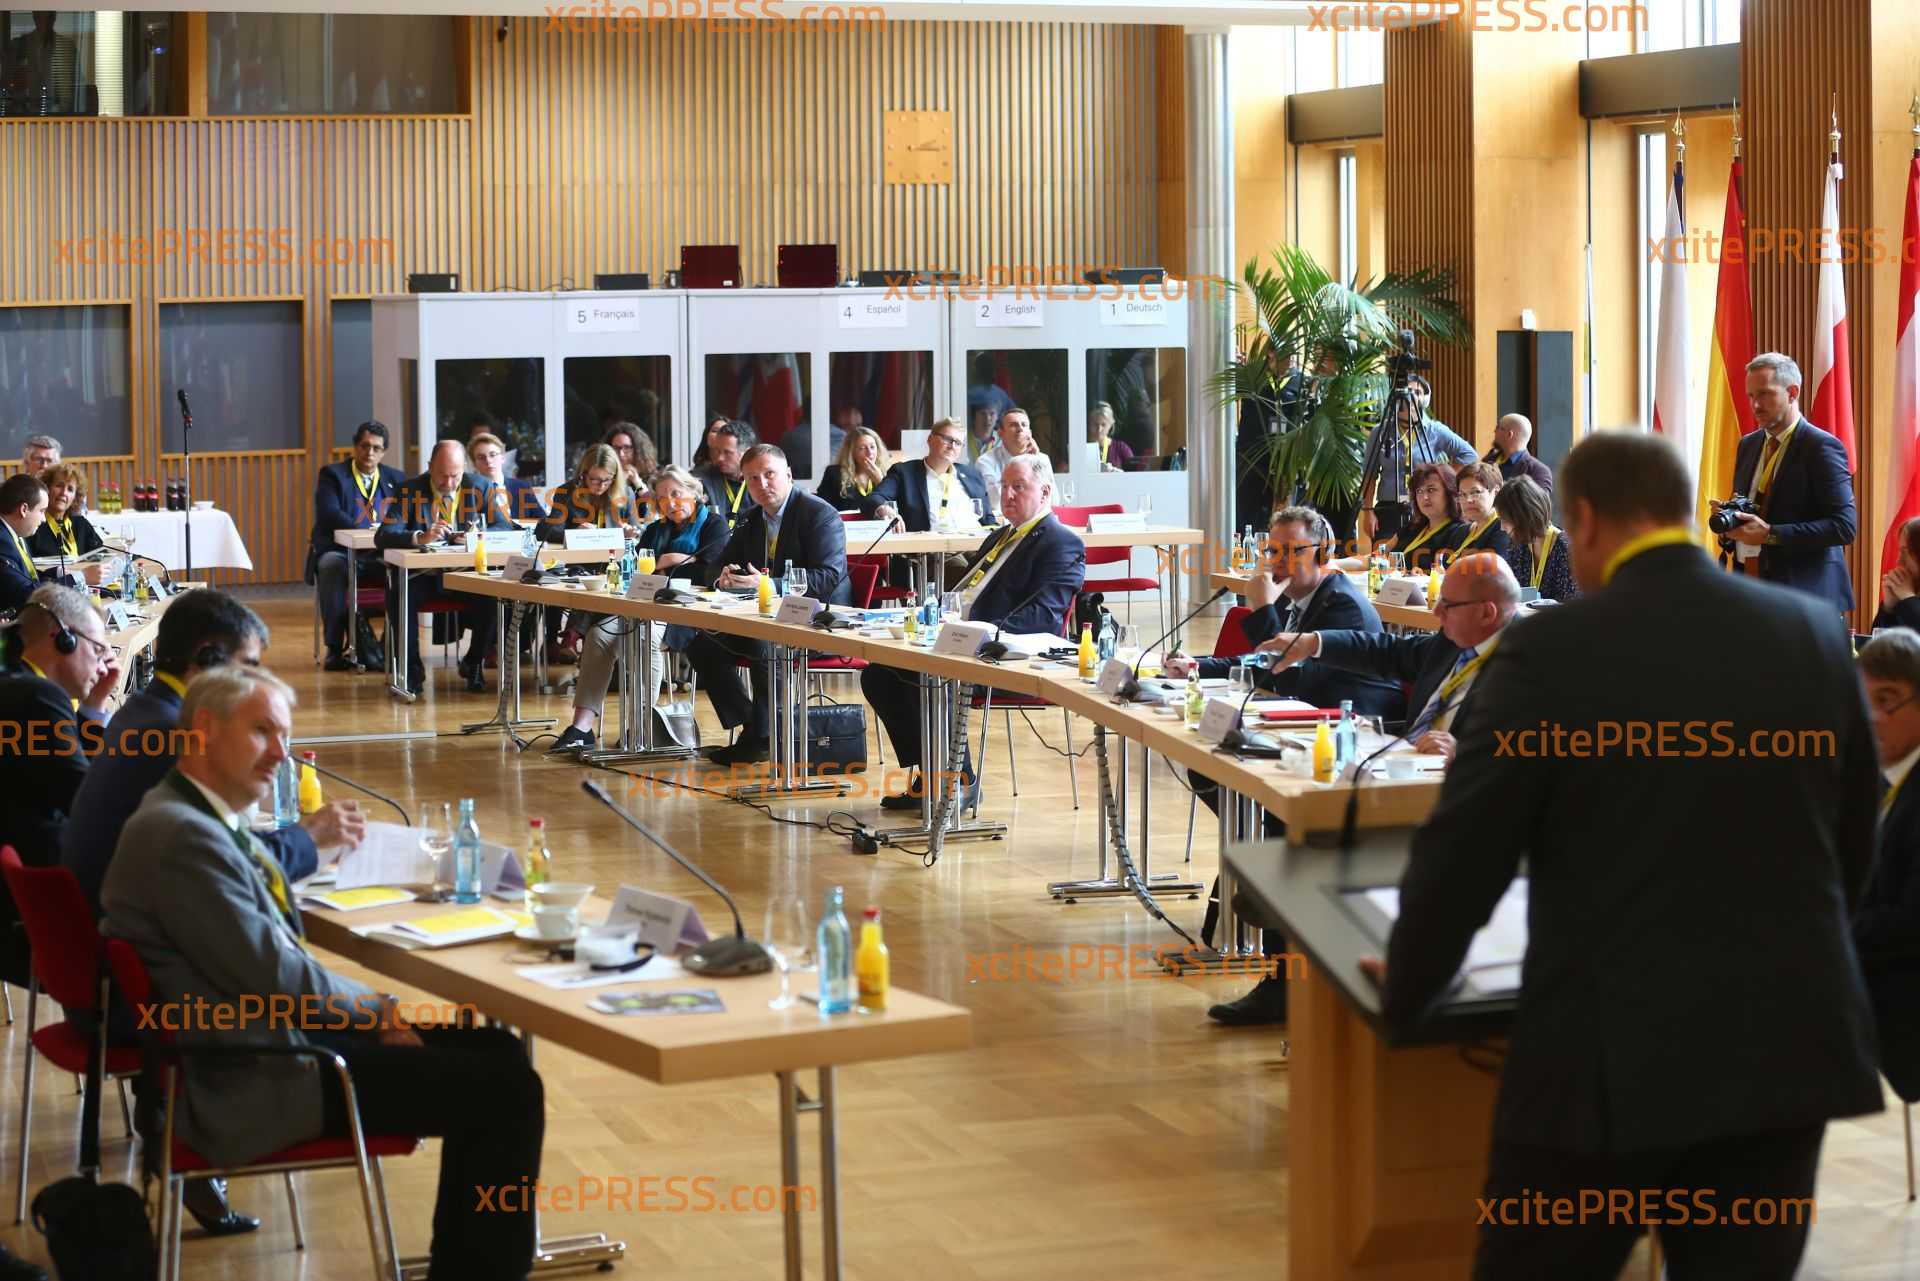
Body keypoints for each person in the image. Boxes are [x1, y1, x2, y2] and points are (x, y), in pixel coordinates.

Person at [1371, 430, 1881, 1280]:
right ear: (1686, 513)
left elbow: (1469, 848)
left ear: (1586, 521)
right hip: (1785, 1050)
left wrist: (1408, 982)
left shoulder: (1548, 650)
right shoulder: (1813, 636)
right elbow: (1854, 837)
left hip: (1603, 1053)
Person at [101, 667, 545, 1281]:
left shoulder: (191, 816)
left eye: (284, 735)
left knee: (497, 1053)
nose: (281, 754)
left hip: (259, 1047)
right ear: (203, 729)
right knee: (505, 1091)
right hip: (254, 1076)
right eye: (263, 733)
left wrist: (369, 1011)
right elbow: (279, 979)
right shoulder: (180, 838)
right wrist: (379, 1010)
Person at [1163, 506, 1405, 1028]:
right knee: (1213, 772)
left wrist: (1262, 609)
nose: (1280, 561)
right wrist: (1200, 667)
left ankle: (1283, 976)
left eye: (1294, 551)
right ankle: (1266, 921)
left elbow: (1295, 681)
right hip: (1305, 734)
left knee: (1270, 814)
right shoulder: (1302, 602)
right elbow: (1268, 663)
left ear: (1323, 553)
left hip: (1354, 743)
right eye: (1273, 551)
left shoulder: (1341, 605)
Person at [63, 589, 359, 910]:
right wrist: (309, 838)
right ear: (209, 660)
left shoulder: (143, 709)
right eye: (248, 668)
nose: (256, 683)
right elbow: (229, 864)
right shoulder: (172, 733)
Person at [861, 454, 1084, 808]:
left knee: (934, 677)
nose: (1007, 495)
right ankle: (931, 774)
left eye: (1019, 487)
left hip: (1005, 655)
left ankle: (959, 783)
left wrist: (973, 633)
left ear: (1044, 492)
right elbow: (965, 593)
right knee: (880, 675)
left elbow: (1041, 618)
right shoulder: (999, 536)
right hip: (955, 642)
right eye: (1004, 487)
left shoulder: (1060, 543)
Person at [1259, 551, 1521, 767]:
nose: (1436, 611)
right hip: (1403, 765)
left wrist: (1464, 752)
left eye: (1448, 605)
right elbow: (1387, 651)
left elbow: (1542, 748)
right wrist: (1315, 643)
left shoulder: (1528, 665)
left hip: (1461, 792)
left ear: (1487, 613)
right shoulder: (1451, 641)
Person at [686, 445, 850, 766]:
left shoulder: (819, 514)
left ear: (788, 475)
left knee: (765, 644)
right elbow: (714, 565)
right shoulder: (750, 518)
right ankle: (755, 727)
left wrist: (766, 584)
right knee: (702, 646)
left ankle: (760, 736)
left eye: (769, 474)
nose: (762, 484)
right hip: (761, 618)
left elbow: (828, 577)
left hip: (818, 622)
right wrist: (723, 576)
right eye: (753, 479)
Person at [548, 463, 718, 753]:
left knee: (645, 636)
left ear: (693, 492)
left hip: (687, 612)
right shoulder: (654, 530)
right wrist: (674, 562)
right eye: (663, 498)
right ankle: (581, 727)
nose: (671, 503)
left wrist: (677, 561)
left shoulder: (713, 525)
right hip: (645, 604)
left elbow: (713, 574)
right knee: (599, 635)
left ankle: (642, 726)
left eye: (677, 494)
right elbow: (640, 572)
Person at [0, 585, 117, 984]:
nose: (104, 665)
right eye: (98, 650)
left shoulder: (15, 682)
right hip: (36, 907)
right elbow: (88, 801)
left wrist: (93, 708)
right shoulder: (36, 697)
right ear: (62, 637)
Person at [1714, 351, 1857, 614]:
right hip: (1750, 589)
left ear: (1792, 393)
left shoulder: (1822, 447)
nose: (1755, 405)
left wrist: (1770, 533)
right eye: (1751, 396)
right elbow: (1754, 508)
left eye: (1765, 394)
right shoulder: (1748, 445)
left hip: (1804, 597)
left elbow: (1844, 527)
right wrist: (1731, 524)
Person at [374, 440, 515, 695]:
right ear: (429, 467)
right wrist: (420, 536)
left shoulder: (480, 486)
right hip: (423, 577)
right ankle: (412, 671)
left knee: (495, 595)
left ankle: (473, 662)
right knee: (399, 595)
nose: (449, 484)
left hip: (465, 575)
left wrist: (477, 536)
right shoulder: (410, 490)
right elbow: (384, 535)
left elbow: (504, 527)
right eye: (442, 476)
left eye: (455, 476)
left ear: (464, 470)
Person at [1855, 629, 1920, 1104]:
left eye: (1889, 699)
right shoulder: (1884, 781)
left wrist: (1826, 930)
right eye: (1864, 701)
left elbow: (1910, 921)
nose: (1873, 718)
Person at [308, 421, 405, 671]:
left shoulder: (397, 479)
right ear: (355, 446)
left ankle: (391, 645)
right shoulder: (333, 475)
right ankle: (334, 647)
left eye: (376, 448)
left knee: (404, 569)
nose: (369, 453)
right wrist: (368, 531)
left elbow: (405, 515)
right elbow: (329, 513)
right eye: (364, 446)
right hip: (340, 552)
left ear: (384, 451)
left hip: (379, 554)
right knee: (330, 566)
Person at [1358, 376, 1478, 546]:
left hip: (1424, 508)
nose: (1410, 397)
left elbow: (1469, 455)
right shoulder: (1381, 431)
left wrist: (1444, 477)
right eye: (1406, 392)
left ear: (1425, 399)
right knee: (1383, 558)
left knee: (1419, 557)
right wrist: (1368, 511)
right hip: (1388, 508)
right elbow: (1369, 474)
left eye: (1416, 392)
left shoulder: (1435, 430)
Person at [865, 416, 990, 533]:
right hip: (933, 551)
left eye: (958, 443)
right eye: (947, 439)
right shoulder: (904, 473)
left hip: (977, 546)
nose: (952, 446)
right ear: (930, 439)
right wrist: (886, 510)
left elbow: (989, 520)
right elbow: (874, 498)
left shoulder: (973, 475)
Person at [1336, 461, 1464, 575]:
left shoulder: (1459, 532)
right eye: (1419, 491)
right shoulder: (1412, 527)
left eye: (1431, 490)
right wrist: (1335, 564)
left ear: (1450, 493)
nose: (1424, 497)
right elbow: (1374, 559)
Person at [1495, 475, 1576, 602]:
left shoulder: (1567, 548)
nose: (1502, 527)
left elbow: (1571, 605)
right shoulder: (1517, 546)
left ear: (1524, 516)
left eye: (1505, 520)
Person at [25, 463, 105, 581]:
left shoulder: (81, 524)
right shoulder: (34, 525)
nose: (64, 493)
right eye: (59, 486)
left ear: (75, 497)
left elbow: (101, 555)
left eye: (70, 489)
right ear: (46, 489)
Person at [6, 12, 79, 115]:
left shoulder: (67, 47)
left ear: (54, 17)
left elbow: (78, 86)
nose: (45, 20)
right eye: (41, 15)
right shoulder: (19, 45)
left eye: (49, 16)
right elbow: (8, 83)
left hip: (61, 117)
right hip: (25, 115)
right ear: (34, 16)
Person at [470, 430, 547, 526]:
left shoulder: (521, 487)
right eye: (481, 457)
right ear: (474, 464)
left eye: (493, 455)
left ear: (502, 458)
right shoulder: (470, 492)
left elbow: (543, 521)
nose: (488, 461)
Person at [0, 473, 52, 614]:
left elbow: (28, 577)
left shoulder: (15, 534)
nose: (44, 519)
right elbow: (25, 592)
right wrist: (75, 580)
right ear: (23, 510)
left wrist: (60, 573)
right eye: (42, 511)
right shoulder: (2, 541)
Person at [698, 418, 758, 534]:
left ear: (747, 452)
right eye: (718, 451)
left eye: (727, 453)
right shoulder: (701, 480)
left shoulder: (761, 482)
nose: (719, 458)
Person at [975, 407, 1041, 511]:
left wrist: (1033, 462)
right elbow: (995, 501)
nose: (1020, 429)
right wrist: (1023, 464)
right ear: (1001, 433)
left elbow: (1053, 499)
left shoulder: (1040, 459)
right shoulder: (985, 461)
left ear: (1030, 433)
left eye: (1024, 425)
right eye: (1013, 425)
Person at [817, 426, 891, 509]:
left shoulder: (887, 473)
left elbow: (893, 508)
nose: (870, 452)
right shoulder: (834, 473)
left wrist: (880, 481)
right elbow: (822, 507)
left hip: (879, 522)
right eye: (862, 448)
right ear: (851, 452)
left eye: (872, 447)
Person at [1449, 462, 1511, 560]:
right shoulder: (1461, 531)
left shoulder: (1504, 528)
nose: (1468, 500)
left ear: (1496, 492)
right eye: (1462, 494)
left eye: (1475, 492)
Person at [1484, 413, 1553, 491]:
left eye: (1498, 427)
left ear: (1509, 434)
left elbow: (1538, 502)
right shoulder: (1488, 460)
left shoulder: (1538, 471)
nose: (1494, 431)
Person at [1876, 516, 1920, 631]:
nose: (1899, 561)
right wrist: (1888, 608)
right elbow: (1878, 644)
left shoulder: (1907, 597)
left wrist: (1908, 598)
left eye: (1905, 552)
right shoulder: (1905, 594)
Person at [602, 421, 658, 498]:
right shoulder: (602, 475)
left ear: (638, 450)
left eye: (627, 448)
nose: (621, 454)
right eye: (616, 448)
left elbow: (651, 505)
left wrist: (636, 481)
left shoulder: (651, 478)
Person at [1088, 400, 1135, 472]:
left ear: (1110, 425)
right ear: (1089, 423)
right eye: (1095, 424)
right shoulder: (1080, 449)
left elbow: (1135, 475)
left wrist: (1114, 471)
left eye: (1103, 425)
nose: (1099, 429)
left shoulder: (1121, 448)